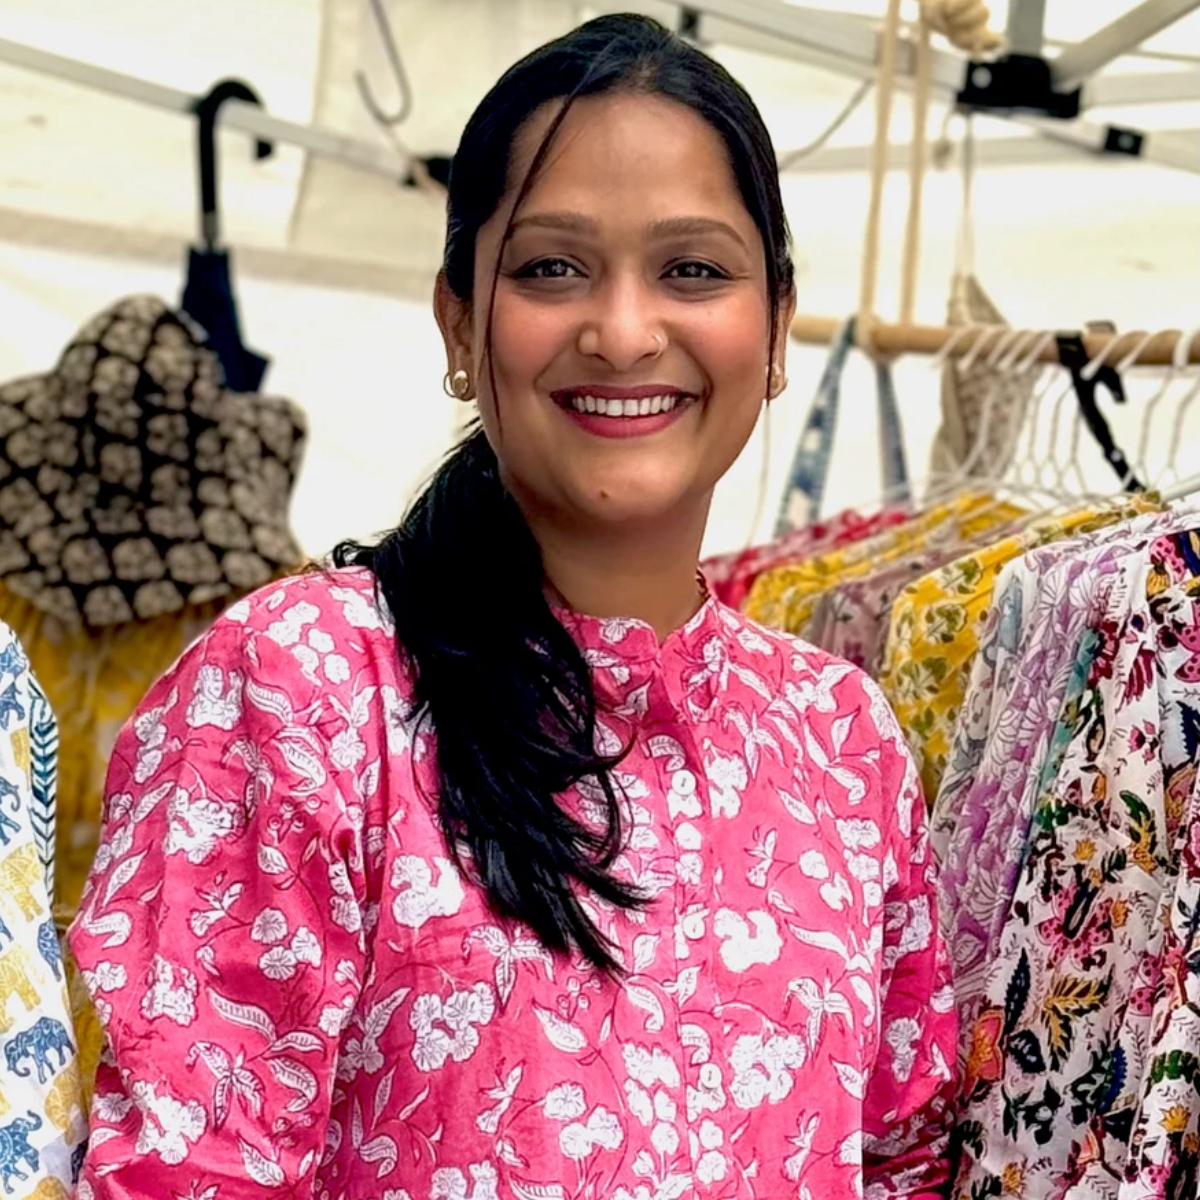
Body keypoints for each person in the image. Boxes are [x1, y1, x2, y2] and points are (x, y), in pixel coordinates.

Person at [71, 14, 956, 1199]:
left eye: (693, 269)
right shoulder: (304, 690)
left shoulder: (841, 742)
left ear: (778, 326)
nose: (625, 330)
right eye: (552, 268)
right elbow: (191, 1173)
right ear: (457, 319)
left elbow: (901, 1159)